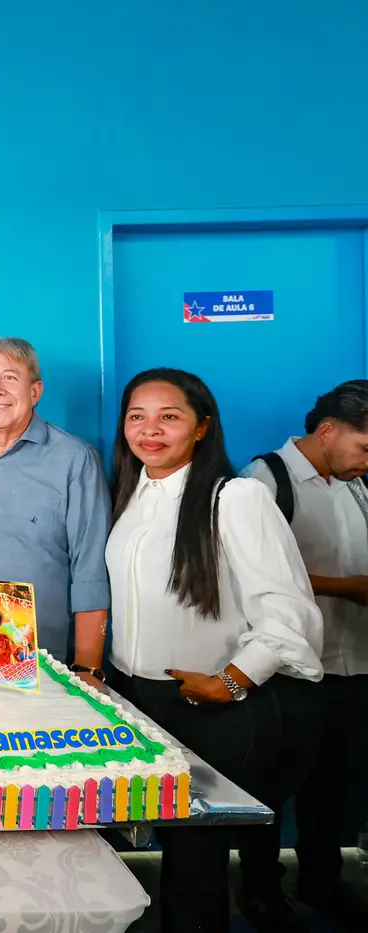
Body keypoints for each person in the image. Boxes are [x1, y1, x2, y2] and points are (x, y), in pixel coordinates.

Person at [104, 368, 324, 933]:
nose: (150, 430)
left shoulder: (236, 498)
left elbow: (288, 612)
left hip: (205, 703)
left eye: (169, 417)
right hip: (134, 701)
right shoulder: (129, 495)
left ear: (202, 427)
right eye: (137, 417)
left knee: (195, 863)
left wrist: (230, 681)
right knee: (149, 854)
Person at [242, 380, 368, 925]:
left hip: (353, 663)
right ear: (328, 431)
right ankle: (260, 891)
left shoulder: (356, 485)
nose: (367, 461)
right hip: (291, 669)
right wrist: (347, 588)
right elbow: (245, 574)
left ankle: (322, 882)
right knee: (272, 787)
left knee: (333, 786)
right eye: (365, 447)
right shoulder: (264, 480)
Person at [0, 337, 111, 680]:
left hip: (43, 664)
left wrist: (88, 667)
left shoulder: (75, 459)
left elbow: (91, 569)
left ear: (35, 391)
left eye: (10, 378)